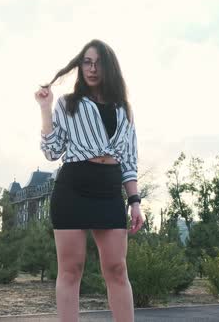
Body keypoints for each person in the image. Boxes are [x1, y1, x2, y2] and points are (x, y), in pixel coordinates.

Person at [34, 39, 143, 322]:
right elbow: (52, 150)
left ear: (109, 67)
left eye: (98, 63)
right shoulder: (69, 104)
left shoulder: (124, 109)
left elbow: (129, 160)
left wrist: (134, 202)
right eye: (87, 62)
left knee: (117, 269)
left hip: (109, 189)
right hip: (74, 188)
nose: (92, 69)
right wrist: (46, 109)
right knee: (71, 270)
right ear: (80, 66)